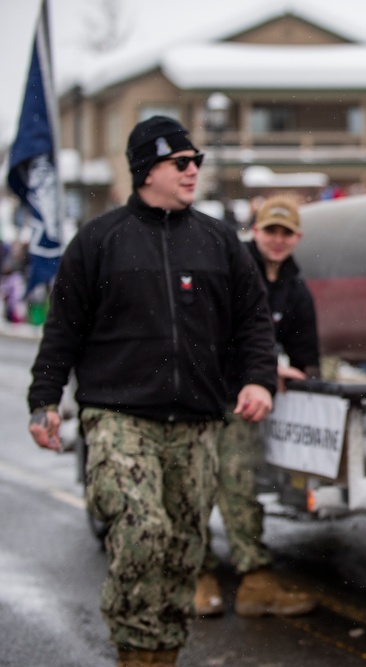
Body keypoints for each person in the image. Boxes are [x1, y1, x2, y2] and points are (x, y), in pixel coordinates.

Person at [27, 115, 277, 667]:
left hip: (197, 421)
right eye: (180, 162)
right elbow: (62, 330)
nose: (193, 171)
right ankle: (133, 648)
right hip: (119, 417)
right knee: (143, 531)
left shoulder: (220, 242)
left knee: (184, 549)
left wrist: (259, 379)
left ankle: (160, 652)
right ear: (147, 169)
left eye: (197, 162)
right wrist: (44, 398)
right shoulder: (98, 241)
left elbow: (253, 322)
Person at [195, 194, 320, 618]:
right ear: (256, 231)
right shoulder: (230, 269)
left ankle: (255, 580)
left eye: (286, 232)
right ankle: (198, 575)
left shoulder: (295, 287)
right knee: (196, 486)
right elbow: (214, 334)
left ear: (297, 237)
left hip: (245, 399)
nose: (278, 239)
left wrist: (293, 371)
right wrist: (271, 369)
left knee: (239, 484)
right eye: (271, 230)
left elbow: (307, 355)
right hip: (203, 394)